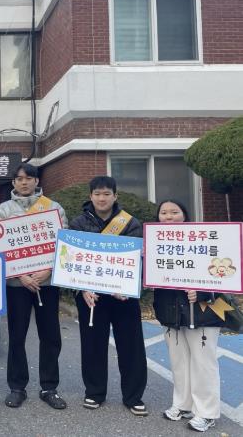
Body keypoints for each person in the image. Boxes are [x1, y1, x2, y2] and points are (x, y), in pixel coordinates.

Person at [70, 176, 148, 416]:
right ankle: (94, 392)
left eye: (106, 194)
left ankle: (133, 396)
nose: (101, 198)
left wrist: (128, 287)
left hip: (123, 296)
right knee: (92, 345)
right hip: (91, 296)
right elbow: (71, 259)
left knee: (131, 346)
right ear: (90, 196)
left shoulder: (131, 223)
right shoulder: (78, 223)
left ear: (115, 196)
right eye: (97, 194)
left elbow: (138, 261)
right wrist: (82, 289)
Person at [0, 163, 68, 410]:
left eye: (29, 178)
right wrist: (23, 275)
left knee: (50, 336)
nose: (24, 182)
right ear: (13, 182)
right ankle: (17, 387)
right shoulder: (5, 209)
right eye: (19, 178)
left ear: (37, 181)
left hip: (47, 282)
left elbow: (63, 243)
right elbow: (0, 248)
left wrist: (47, 271)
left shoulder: (53, 207)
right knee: (17, 336)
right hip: (17, 284)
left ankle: (49, 387)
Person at [153, 200, 224, 432]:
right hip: (171, 313)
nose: (168, 217)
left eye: (174, 212)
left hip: (203, 312)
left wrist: (203, 292)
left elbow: (225, 273)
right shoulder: (154, 244)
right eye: (164, 213)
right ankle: (182, 405)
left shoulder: (205, 240)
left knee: (203, 363)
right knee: (179, 362)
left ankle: (207, 412)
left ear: (185, 215)